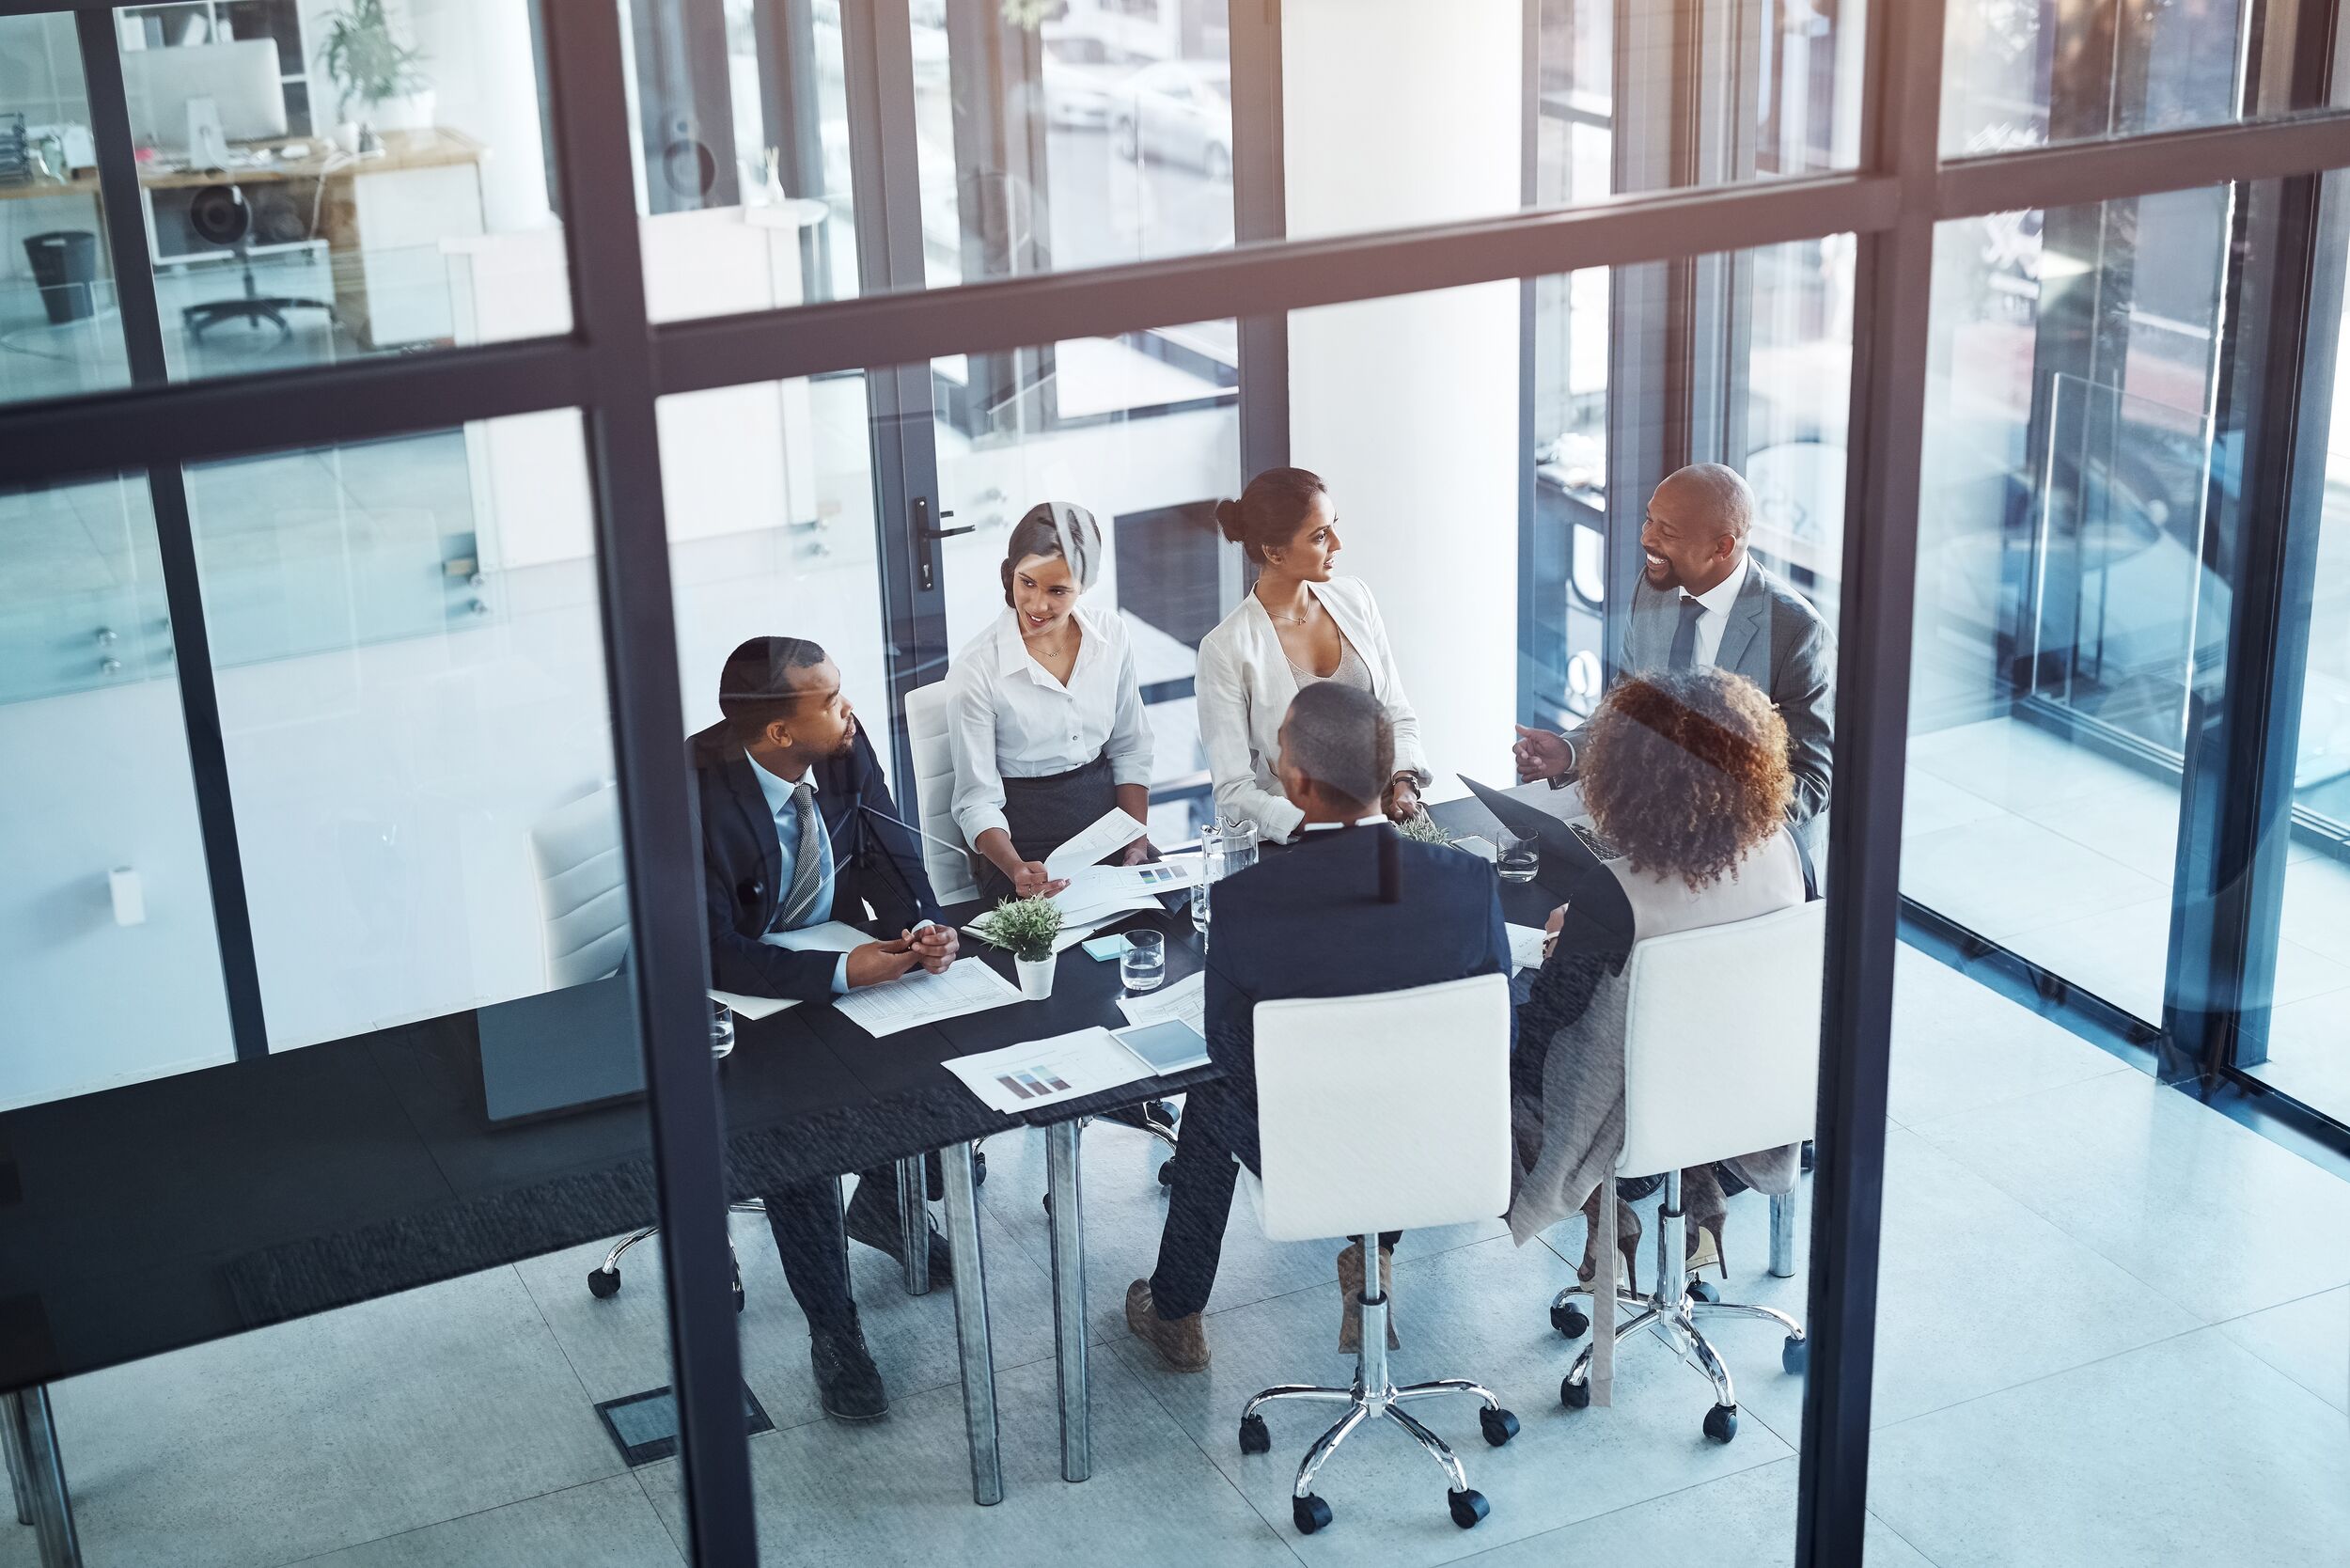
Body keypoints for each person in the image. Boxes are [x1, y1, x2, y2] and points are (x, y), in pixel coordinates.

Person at [1124, 682, 1511, 1372]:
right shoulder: (1466, 882)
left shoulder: (1248, 902)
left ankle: (1177, 1313)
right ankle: (1376, 1249)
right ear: (1387, 774)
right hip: (1440, 1144)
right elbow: (1497, 1035)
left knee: (1211, 1097)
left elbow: (1228, 1056)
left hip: (1310, 1161)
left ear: (1297, 782)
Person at [1506, 666, 1813, 1403]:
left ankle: (1607, 1230)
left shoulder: (1615, 896)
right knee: (1671, 1042)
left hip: (1634, 1130)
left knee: (1517, 1042)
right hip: (1750, 1102)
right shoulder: (1789, 852)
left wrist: (1557, 947)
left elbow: (1549, 1029)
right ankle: (1699, 1210)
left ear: (1628, 782)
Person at [691, 635, 961, 1423]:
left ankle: (882, 1200)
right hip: (729, 989)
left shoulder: (838, 739)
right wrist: (844, 974)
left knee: (938, 1062)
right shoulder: (684, 791)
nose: (851, 711)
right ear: (780, 732)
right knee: (802, 1140)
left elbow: (890, 846)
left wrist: (926, 928)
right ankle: (836, 1333)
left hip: (828, 946)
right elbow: (707, 947)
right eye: (832, 699)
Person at [1512, 463, 1833, 860]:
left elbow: (1812, 782)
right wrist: (1571, 752)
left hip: (1752, 859)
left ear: (1722, 547)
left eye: (1668, 532)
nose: (1647, 538)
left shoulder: (1796, 632)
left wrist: (1706, 820)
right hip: (1650, 837)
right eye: (1649, 520)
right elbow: (1627, 704)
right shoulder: (1653, 589)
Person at [1197, 466, 1431, 842]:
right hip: (1301, 843)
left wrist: (1404, 781)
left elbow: (1396, 712)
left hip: (1385, 827)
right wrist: (1325, 821)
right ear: (1274, 551)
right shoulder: (1225, 649)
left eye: (1333, 526)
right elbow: (1233, 790)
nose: (1337, 544)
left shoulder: (1355, 597)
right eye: (1321, 536)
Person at [946, 502, 1154, 901]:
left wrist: (1136, 843)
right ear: (1010, 574)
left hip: (1110, 828)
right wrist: (1016, 869)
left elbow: (1130, 748)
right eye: (1026, 583)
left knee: (1167, 929)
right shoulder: (976, 669)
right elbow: (976, 802)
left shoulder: (1112, 635)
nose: (1037, 605)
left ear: (1085, 585)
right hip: (1024, 848)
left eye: (1058, 591)